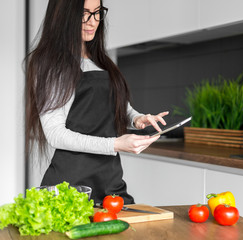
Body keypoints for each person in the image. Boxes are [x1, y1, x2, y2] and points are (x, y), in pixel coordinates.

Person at [25, 0, 169, 204]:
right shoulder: (51, 63)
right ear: (63, 15)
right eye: (84, 14)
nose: (92, 22)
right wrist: (116, 144)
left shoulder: (100, 60)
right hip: (71, 185)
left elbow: (114, 105)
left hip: (110, 180)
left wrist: (137, 118)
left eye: (97, 13)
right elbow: (55, 134)